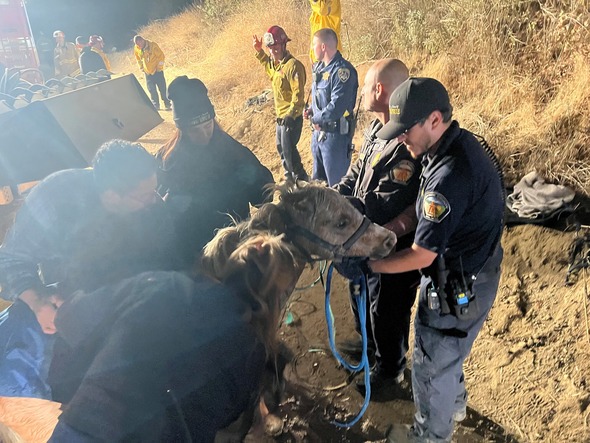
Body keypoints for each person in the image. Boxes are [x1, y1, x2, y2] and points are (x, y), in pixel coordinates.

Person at [369, 77, 504, 442]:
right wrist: (392, 229)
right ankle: (454, 404)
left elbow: (421, 254)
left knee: (431, 364)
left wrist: (373, 264)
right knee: (449, 354)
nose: (400, 138)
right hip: (476, 271)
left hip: (458, 283)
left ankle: (430, 435)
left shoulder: (449, 176)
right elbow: (422, 215)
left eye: (405, 130)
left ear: (432, 119)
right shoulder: (453, 146)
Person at [0, 139, 178, 400]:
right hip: (65, 304)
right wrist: (37, 301)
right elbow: (10, 259)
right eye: (144, 196)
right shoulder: (56, 196)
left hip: (128, 305)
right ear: (112, 195)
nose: (155, 200)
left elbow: (170, 265)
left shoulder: (154, 209)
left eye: (155, 190)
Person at [334, 59, 421, 394]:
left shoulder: (407, 140)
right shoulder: (375, 128)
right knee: (361, 295)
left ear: (379, 90)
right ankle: (369, 347)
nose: (364, 91)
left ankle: (391, 371)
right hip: (362, 236)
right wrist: (336, 196)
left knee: (387, 310)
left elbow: (386, 202)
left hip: (390, 243)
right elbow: (357, 173)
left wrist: (353, 224)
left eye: (367, 85)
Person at [157, 75, 274, 266]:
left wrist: (254, 178)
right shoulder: (166, 161)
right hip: (192, 258)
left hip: (234, 251)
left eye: (208, 125)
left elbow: (263, 197)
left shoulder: (234, 153)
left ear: (213, 119)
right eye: (195, 130)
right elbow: (158, 214)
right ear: (182, 129)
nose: (204, 134)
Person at [253, 25, 308, 181]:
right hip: (281, 118)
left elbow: (298, 96)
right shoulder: (276, 66)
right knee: (282, 149)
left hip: (291, 118)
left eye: (276, 46)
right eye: (270, 47)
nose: (273, 50)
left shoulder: (293, 66)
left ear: (284, 45)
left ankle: (300, 180)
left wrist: (290, 115)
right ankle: (290, 179)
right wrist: (259, 51)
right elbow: (267, 66)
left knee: (289, 151)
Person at [304, 28, 358, 186]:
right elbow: (320, 98)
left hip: (335, 138)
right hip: (318, 136)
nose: (312, 48)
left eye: (314, 44)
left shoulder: (342, 71)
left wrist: (316, 117)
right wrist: (311, 110)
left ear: (323, 47)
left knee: (336, 187)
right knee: (318, 186)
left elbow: (336, 107)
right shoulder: (320, 68)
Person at [133, 35, 171, 111]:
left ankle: (167, 104)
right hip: (148, 73)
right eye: (137, 44)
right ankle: (156, 105)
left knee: (162, 88)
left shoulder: (152, 45)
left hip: (157, 71)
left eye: (140, 42)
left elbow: (161, 56)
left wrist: (159, 68)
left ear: (143, 40)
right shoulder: (137, 48)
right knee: (151, 89)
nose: (139, 45)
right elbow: (138, 59)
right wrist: (142, 68)